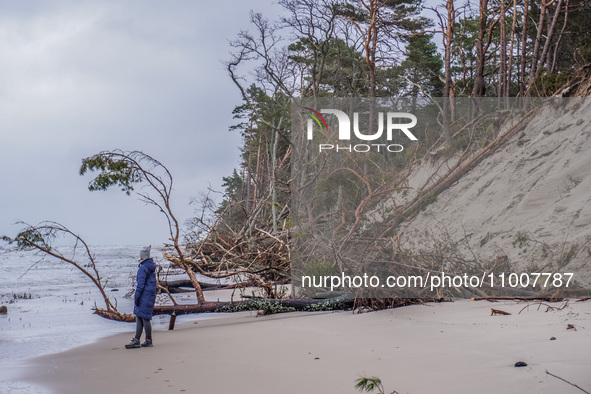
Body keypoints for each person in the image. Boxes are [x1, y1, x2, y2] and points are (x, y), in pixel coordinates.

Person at [125, 246, 157, 349]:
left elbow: (140, 285)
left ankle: (148, 340)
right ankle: (137, 339)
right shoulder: (150, 266)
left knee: (145, 317)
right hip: (149, 294)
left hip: (145, 294)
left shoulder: (143, 267)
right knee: (139, 316)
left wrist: (137, 297)